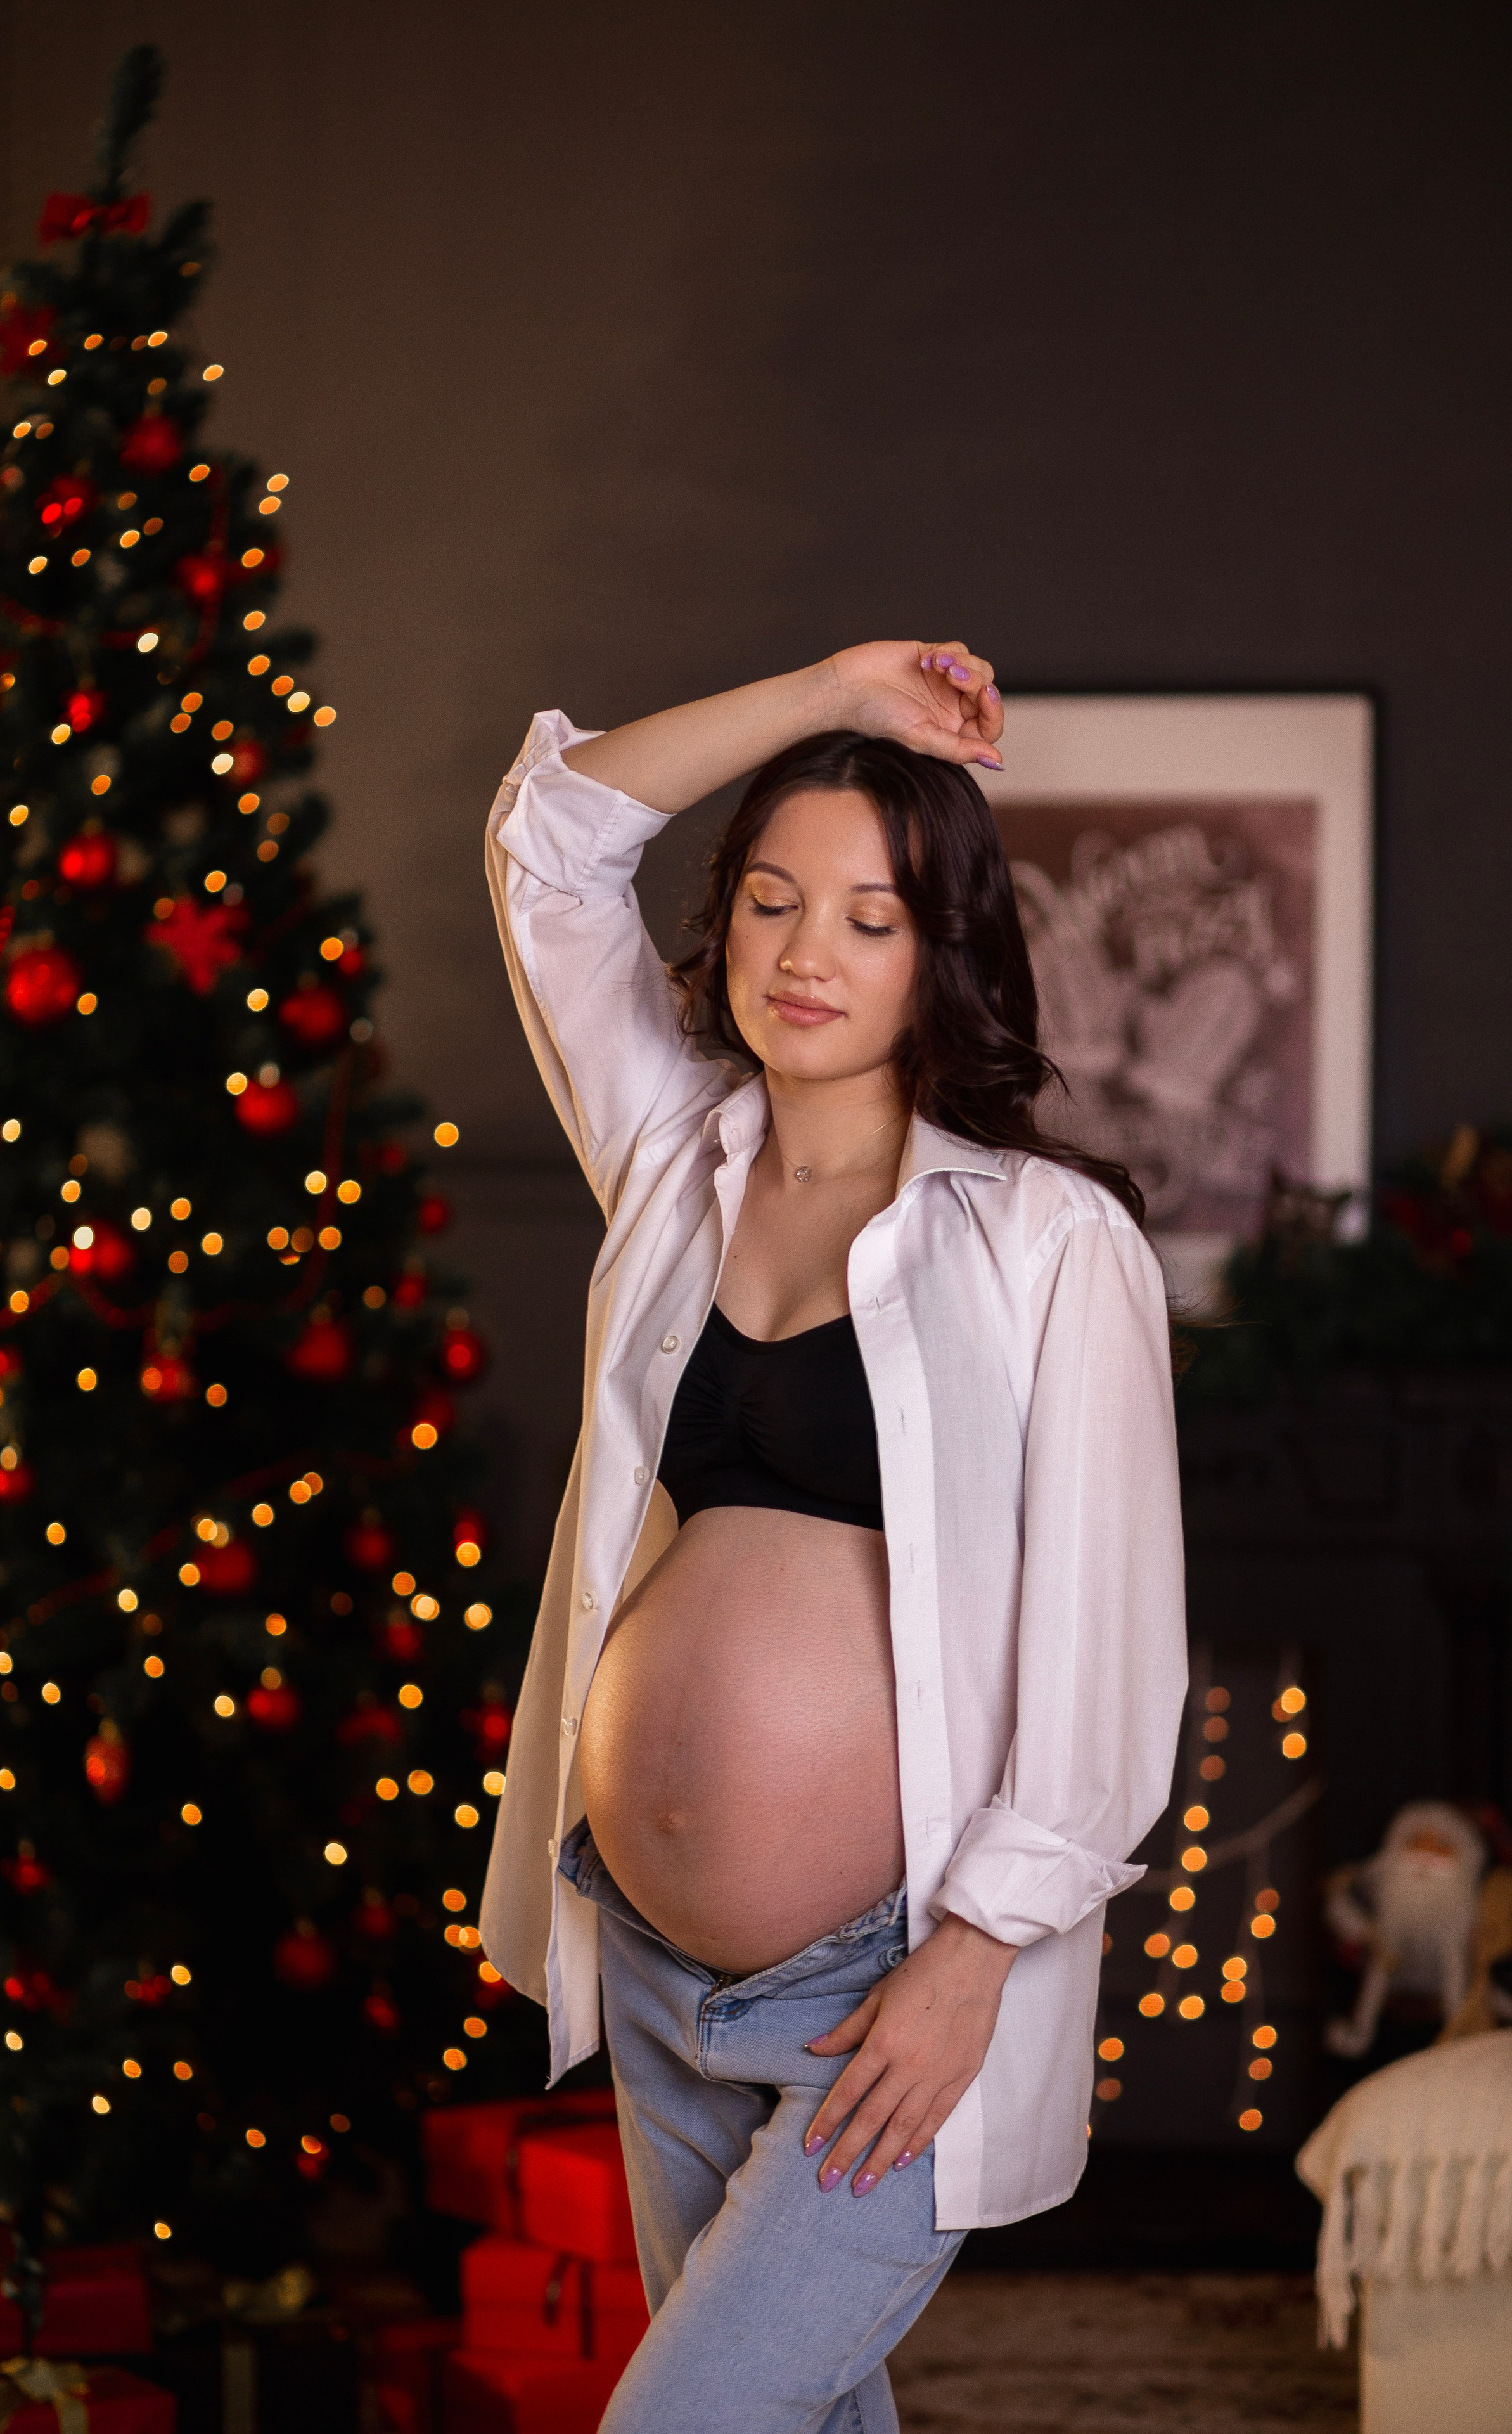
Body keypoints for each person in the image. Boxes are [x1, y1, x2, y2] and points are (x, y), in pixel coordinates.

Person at [479, 640, 1187, 2433]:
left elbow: (1113, 1664)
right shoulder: (671, 1161)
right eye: (775, 901)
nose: (807, 954)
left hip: (888, 1986)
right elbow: (551, 839)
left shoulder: (1046, 1242)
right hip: (648, 1957)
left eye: (870, 919)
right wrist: (832, 695)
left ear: (942, 951)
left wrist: (974, 1962)